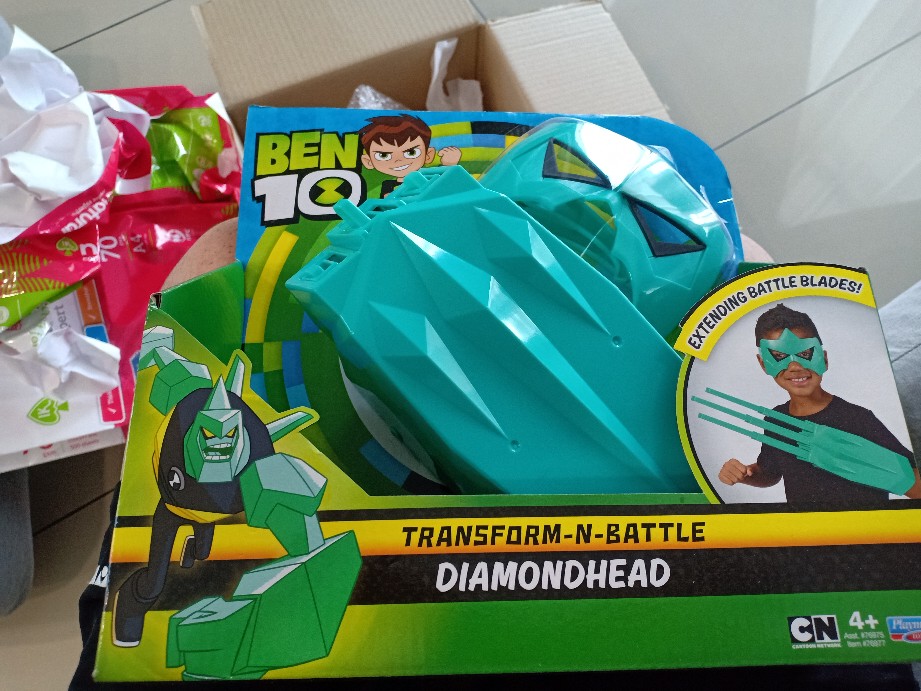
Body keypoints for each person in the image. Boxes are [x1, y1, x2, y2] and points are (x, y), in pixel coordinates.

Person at [718, 302, 921, 505]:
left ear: (824, 358)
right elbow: (770, 473)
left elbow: (915, 484)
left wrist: (875, 468)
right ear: (763, 364)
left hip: (865, 523)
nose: (795, 366)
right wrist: (746, 473)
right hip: (807, 524)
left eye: (805, 354)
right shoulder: (776, 420)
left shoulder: (857, 418)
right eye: (779, 356)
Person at [358, 114, 461, 196]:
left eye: (411, 152)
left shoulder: (430, 178)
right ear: (368, 162)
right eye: (384, 155)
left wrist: (449, 165)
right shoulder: (389, 186)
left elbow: (445, 188)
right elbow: (389, 204)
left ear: (428, 155)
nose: (398, 160)